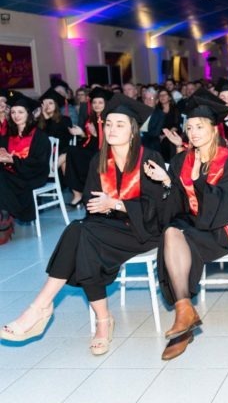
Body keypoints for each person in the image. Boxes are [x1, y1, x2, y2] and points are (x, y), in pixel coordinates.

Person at [1, 95, 164, 354]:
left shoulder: (150, 158)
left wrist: (118, 204)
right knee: (81, 234)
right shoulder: (98, 160)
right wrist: (105, 207)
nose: (112, 129)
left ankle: (46, 310)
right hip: (107, 228)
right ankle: (96, 320)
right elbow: (91, 203)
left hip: (144, 230)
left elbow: (161, 207)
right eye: (108, 124)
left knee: (82, 237)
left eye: (120, 124)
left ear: (133, 130)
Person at [150, 90, 228, 360]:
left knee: (178, 238)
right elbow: (176, 208)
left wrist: (199, 182)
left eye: (199, 127)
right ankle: (184, 310)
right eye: (189, 127)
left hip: (220, 229)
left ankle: (183, 326)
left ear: (214, 130)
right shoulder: (181, 160)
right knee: (171, 231)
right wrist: (169, 182)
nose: (193, 132)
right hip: (190, 225)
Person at [0, 94, 51, 243]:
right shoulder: (8, 135)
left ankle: (5, 218)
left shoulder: (39, 136)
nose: (16, 116)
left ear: (28, 114)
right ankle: (4, 215)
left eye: (20, 112)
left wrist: (12, 160)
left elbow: (39, 163)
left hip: (32, 175)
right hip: (13, 174)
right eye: (13, 112)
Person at [66, 88, 114, 207]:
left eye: (100, 102)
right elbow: (89, 139)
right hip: (91, 148)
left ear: (106, 104)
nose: (97, 105)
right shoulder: (91, 117)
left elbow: (109, 140)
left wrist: (96, 134)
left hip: (105, 150)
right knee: (71, 152)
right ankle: (77, 193)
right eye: (94, 102)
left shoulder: (110, 118)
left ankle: (86, 192)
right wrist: (81, 133)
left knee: (85, 157)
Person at [38, 87, 73, 173]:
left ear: (56, 105)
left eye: (50, 103)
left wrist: (48, 120)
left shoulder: (65, 120)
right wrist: (45, 119)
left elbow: (62, 139)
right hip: (43, 155)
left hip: (60, 152)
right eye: (45, 103)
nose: (47, 106)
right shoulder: (38, 122)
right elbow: (41, 140)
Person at [157, 87, 181, 162]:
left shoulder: (175, 109)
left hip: (172, 134)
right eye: (160, 95)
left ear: (169, 97)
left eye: (164, 95)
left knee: (167, 143)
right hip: (159, 136)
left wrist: (164, 136)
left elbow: (176, 125)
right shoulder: (157, 110)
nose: (162, 97)